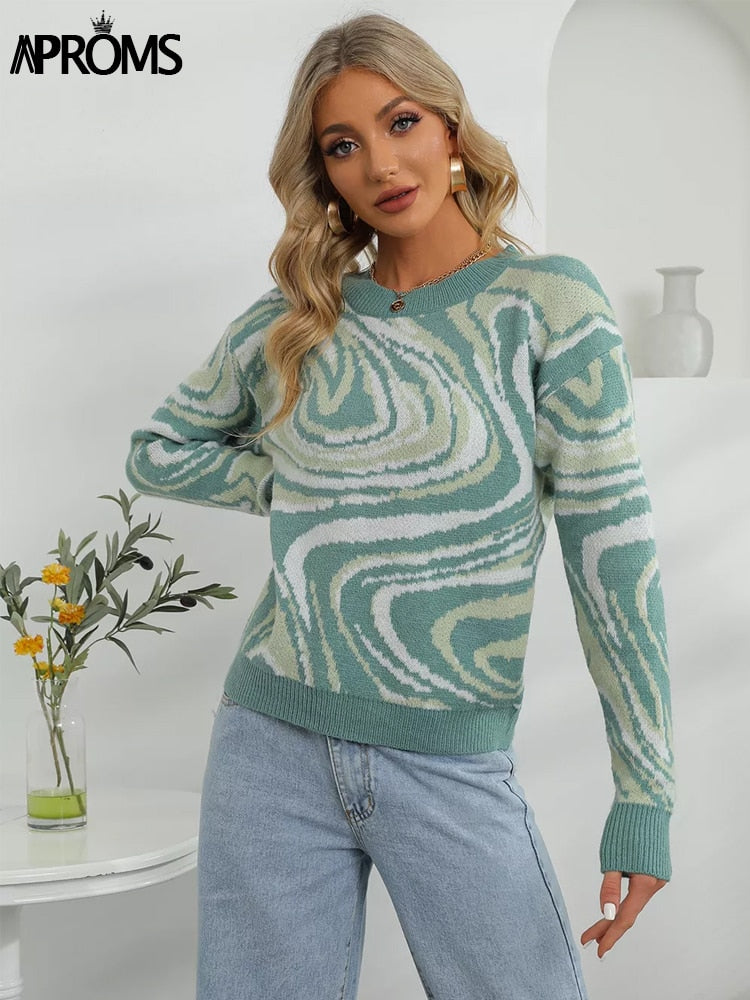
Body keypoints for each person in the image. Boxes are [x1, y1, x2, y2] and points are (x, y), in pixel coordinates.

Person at [125, 12, 675, 1000]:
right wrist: (291, 481)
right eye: (343, 145)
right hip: (269, 744)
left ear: (452, 127)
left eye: (402, 121)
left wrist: (644, 797)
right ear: (323, 174)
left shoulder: (548, 305)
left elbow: (613, 556)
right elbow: (158, 450)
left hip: (452, 755)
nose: (380, 163)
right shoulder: (298, 322)